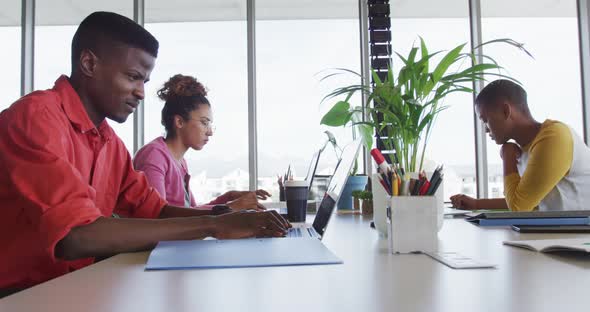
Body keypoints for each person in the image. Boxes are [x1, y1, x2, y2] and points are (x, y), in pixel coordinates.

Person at [0, 11, 289, 294]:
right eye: (133, 77)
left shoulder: (109, 142)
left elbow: (156, 210)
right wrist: (214, 225)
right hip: (18, 294)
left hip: (72, 288)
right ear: (89, 63)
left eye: (144, 82)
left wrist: (229, 217)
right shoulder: (35, 118)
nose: (141, 92)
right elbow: (75, 236)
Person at [450, 79, 590, 212]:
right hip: (564, 232)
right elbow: (527, 199)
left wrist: (508, 158)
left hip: (580, 234)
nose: (486, 129)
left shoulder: (554, 136)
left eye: (485, 120)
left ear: (506, 111)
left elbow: (519, 207)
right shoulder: (526, 148)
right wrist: (476, 204)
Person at [133, 74, 270, 210]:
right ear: (179, 122)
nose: (210, 132)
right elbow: (157, 215)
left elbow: (191, 212)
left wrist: (229, 197)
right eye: (204, 123)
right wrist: (230, 207)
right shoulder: (154, 156)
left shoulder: (179, 162)